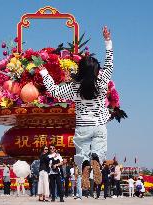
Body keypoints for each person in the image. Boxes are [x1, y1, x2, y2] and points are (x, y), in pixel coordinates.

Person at [39, 26, 113, 170]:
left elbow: (54, 91)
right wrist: (107, 41)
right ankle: (96, 158)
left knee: (82, 152)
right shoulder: (102, 81)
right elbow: (109, 63)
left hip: (83, 125)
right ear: (97, 71)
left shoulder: (75, 87)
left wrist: (44, 72)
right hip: (99, 125)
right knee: (99, 149)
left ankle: (85, 163)